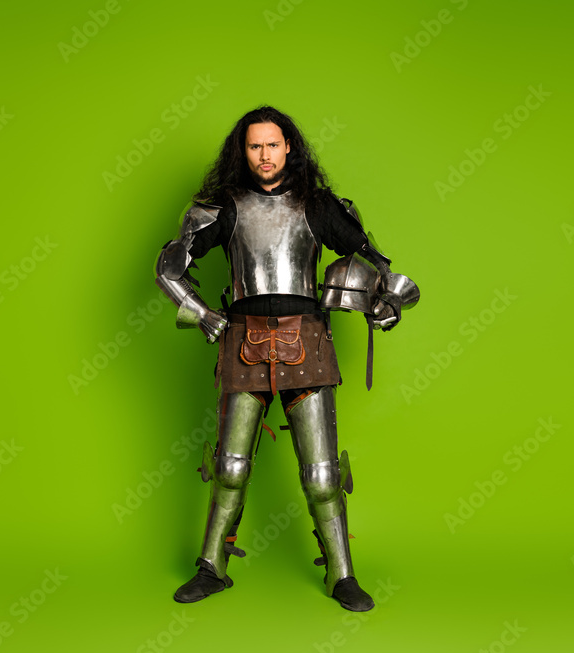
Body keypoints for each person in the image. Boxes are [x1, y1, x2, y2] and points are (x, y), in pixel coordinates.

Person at [154, 106, 419, 611]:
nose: (264, 155)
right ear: (243, 151)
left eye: (272, 145)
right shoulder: (224, 207)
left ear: (288, 147)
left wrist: (386, 302)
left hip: (307, 341)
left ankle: (343, 575)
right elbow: (169, 267)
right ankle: (211, 568)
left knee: (321, 475)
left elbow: (375, 262)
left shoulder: (317, 206)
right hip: (244, 341)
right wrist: (204, 314)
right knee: (230, 468)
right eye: (255, 146)